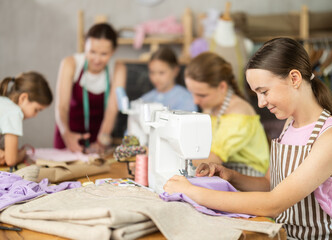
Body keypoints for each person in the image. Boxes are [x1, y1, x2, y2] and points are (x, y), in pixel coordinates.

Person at [164, 38, 332, 239]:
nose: (261, 103)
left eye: (264, 92)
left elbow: (274, 204)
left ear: (294, 78)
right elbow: (269, 183)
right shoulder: (289, 123)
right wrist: (230, 176)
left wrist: (191, 192)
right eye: (256, 94)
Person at [185, 52, 269, 176]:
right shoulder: (211, 107)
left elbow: (214, 158)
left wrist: (172, 156)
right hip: (226, 170)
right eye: (192, 93)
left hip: (249, 177)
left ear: (222, 87)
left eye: (202, 95)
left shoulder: (239, 113)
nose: (195, 101)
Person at [54, 23, 126, 153]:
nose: (97, 59)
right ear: (84, 46)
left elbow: (112, 109)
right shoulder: (70, 64)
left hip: (99, 136)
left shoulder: (118, 69)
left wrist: (102, 139)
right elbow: (62, 107)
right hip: (68, 133)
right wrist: (66, 134)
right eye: (92, 52)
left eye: (104, 54)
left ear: (113, 51)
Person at [0, 72, 53, 167]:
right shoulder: (14, 112)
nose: (35, 115)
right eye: (36, 110)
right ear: (23, 98)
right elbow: (10, 160)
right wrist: (22, 154)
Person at [139, 47, 197, 112]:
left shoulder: (185, 98)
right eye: (152, 72)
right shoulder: (145, 98)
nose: (156, 78)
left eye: (161, 73)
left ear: (175, 71)